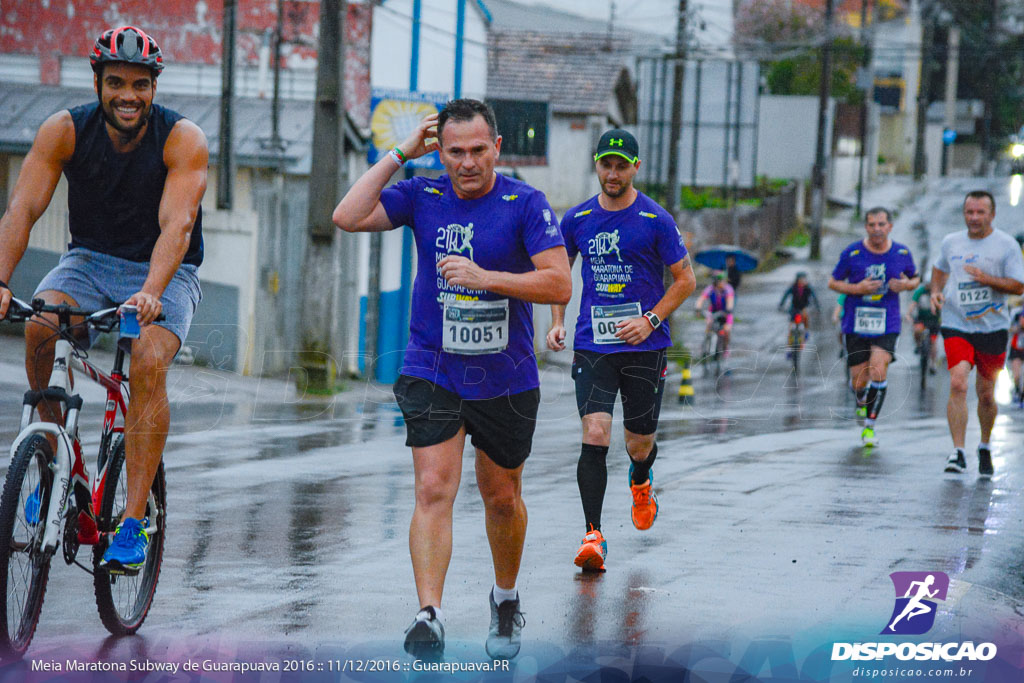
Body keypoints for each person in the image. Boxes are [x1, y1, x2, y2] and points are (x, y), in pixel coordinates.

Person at [332, 99, 571, 660]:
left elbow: (559, 284)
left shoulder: (524, 203)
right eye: (455, 152)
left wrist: (486, 277)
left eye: (478, 150)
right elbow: (346, 216)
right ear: (440, 152)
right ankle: (429, 614)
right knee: (434, 488)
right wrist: (398, 154)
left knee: (502, 497)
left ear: (497, 149)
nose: (467, 163)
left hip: (505, 375)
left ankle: (505, 599)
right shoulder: (422, 194)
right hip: (432, 365)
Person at [0, 26, 207, 573]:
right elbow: (21, 209)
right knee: (42, 328)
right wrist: (1, 280)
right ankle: (53, 464)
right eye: (115, 82)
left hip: (166, 269)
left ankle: (134, 523)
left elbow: (177, 225)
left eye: (140, 84)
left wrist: (152, 292)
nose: (128, 95)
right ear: (97, 82)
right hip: (89, 260)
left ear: (154, 88)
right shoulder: (62, 131)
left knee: (147, 360)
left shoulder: (181, 139)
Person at [544, 129, 695, 572]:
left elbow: (685, 280)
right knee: (594, 434)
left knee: (639, 442)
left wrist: (650, 319)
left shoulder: (656, 220)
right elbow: (559, 274)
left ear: (635, 168)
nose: (613, 173)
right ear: (597, 165)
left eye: (621, 165)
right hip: (594, 345)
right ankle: (593, 534)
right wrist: (557, 322)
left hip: (645, 347)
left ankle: (642, 477)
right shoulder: (577, 219)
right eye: (606, 164)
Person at [931, 190, 1024, 476]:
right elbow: (939, 268)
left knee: (986, 394)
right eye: (969, 212)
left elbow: (1018, 286)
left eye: (980, 212)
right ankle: (958, 452)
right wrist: (935, 291)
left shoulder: (1006, 246)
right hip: (956, 321)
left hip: (992, 327)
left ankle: (984, 445)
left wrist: (987, 279)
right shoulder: (951, 242)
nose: (973, 218)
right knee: (958, 382)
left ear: (991, 215)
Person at [828, 207, 919, 447]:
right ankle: (860, 401)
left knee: (879, 369)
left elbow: (916, 278)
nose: (876, 229)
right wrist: (856, 289)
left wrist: (906, 285)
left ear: (889, 226)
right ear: (866, 227)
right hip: (856, 322)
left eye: (881, 224)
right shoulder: (853, 252)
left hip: (887, 321)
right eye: (871, 225)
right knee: (859, 380)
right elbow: (833, 282)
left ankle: (869, 427)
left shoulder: (901, 252)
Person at [778, 271, 820, 350]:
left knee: (805, 317)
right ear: (797, 280)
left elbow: (814, 297)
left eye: (804, 279)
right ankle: (789, 346)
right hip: (794, 307)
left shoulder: (808, 288)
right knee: (791, 326)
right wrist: (781, 305)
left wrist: (817, 306)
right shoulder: (793, 287)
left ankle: (806, 331)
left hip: (803, 307)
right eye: (801, 279)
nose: (803, 281)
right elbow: (785, 295)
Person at [905, 280, 941, 374]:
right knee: (916, 330)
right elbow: (913, 303)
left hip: (934, 320)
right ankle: (918, 345)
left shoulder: (938, 291)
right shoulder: (920, 291)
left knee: (933, 343)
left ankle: (933, 364)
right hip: (922, 319)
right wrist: (908, 314)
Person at [694, 272, 734, 354]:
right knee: (709, 324)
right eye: (721, 281)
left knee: (726, 330)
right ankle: (705, 343)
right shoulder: (710, 289)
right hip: (713, 311)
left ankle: (725, 347)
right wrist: (697, 308)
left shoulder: (728, 289)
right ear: (716, 282)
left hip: (725, 312)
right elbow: (701, 299)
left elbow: (730, 301)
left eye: (724, 281)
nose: (723, 283)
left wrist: (729, 310)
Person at [1008, 310, 1024, 406]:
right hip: (1016, 349)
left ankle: (1022, 396)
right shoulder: (1016, 314)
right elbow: (1008, 328)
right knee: (1016, 375)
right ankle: (1016, 389)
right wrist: (1018, 328)